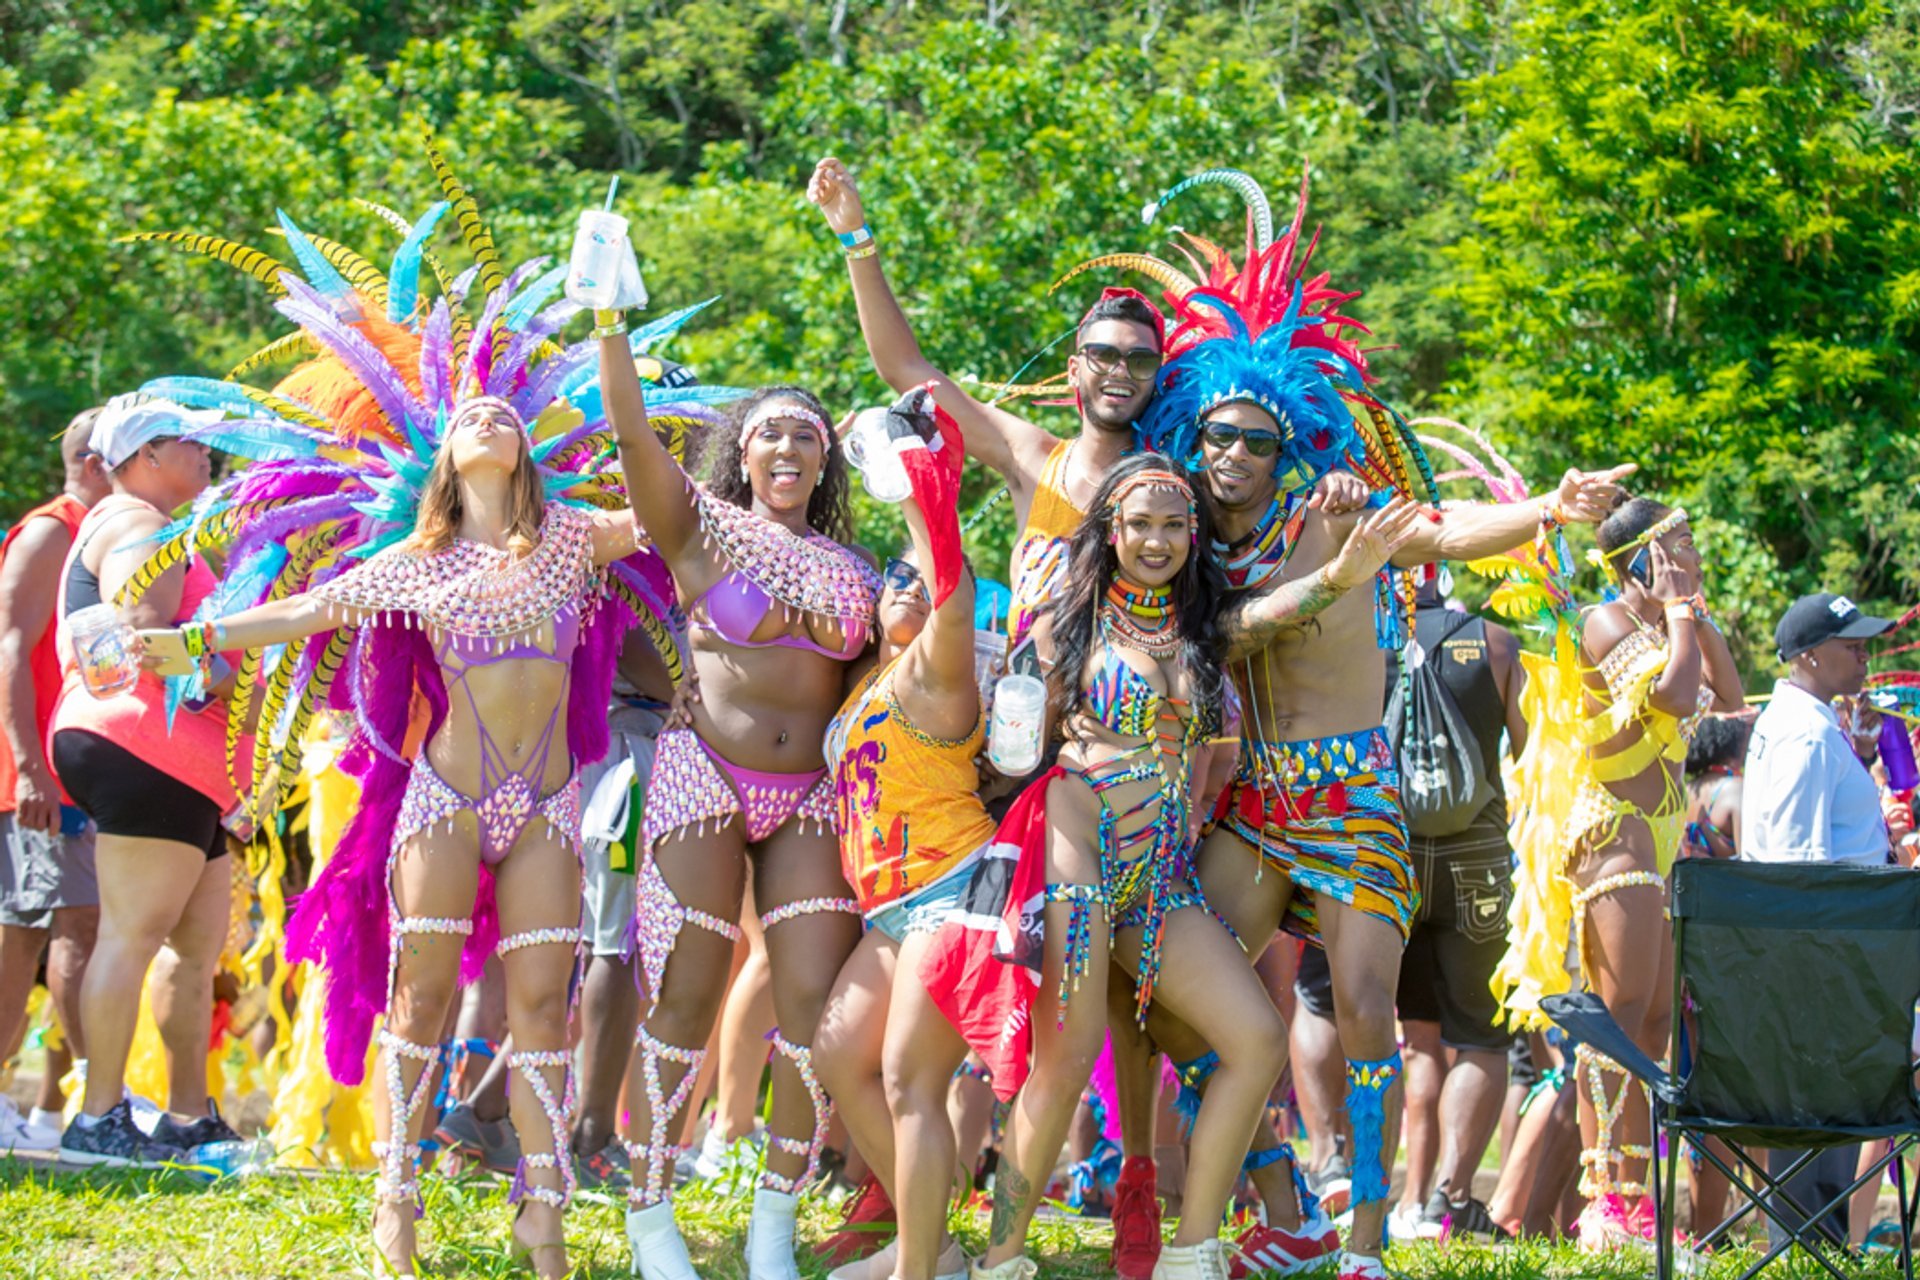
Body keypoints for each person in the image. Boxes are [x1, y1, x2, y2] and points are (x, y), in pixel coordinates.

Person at [1104, 166, 1634, 1280]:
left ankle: (1365, 1236)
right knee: (1181, 1016)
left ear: (1288, 433)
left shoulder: (1327, 514)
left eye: (1255, 436)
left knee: (1363, 1011)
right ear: (1191, 438)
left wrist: (1544, 507)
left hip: (1352, 788)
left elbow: (1440, 531)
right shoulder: (1184, 545)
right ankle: (1283, 1194)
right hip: (1252, 799)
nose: (1234, 454)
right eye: (1216, 436)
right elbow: (1192, 627)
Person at [974, 453, 1422, 1280]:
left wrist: (1341, 573)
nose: (1157, 540)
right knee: (1064, 1065)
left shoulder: (1199, 630)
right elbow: (1009, 753)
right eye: (1139, 524)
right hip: (1077, 866)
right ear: (1108, 532)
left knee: (1255, 1038)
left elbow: (1278, 611)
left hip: (1159, 885)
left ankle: (1194, 1251)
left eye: (1174, 524)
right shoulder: (1060, 625)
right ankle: (999, 1259)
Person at [598, 292, 879, 1279]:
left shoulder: (857, 570)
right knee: (686, 992)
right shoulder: (701, 528)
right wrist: (609, 318)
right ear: (742, 452)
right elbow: (631, 429)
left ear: (827, 457)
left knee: (814, 1005)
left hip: (808, 795)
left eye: (808, 433)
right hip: (701, 775)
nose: (789, 446)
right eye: (769, 433)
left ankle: (774, 1225)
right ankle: (649, 1214)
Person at [1496, 498, 1744, 1251]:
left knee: (1655, 1025)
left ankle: (1631, 1196)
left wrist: (1690, 610)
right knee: (1618, 1020)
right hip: (1615, 839)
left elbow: (1728, 700)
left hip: (1663, 841)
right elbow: (1673, 696)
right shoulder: (1606, 621)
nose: (1691, 555)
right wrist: (1675, 612)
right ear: (1640, 560)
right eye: (1678, 545)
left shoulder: (1670, 624)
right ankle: (1608, 1202)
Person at [807, 156, 1160, 655]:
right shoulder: (1034, 458)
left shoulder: (1168, 487)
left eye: (1139, 360)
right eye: (1103, 355)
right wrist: (855, 238)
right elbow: (905, 369)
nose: (1120, 371)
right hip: (1026, 715)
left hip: (1119, 724)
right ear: (1074, 369)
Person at [814, 389, 993, 1280]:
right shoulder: (862, 691)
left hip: (952, 890)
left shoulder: (938, 670)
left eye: (917, 580)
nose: (905, 585)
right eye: (895, 576)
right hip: (888, 910)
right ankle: (936, 1245)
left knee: (908, 1080)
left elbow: (950, 591)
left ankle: (919, 1271)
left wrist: (926, 482)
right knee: (837, 1057)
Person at [47, 394, 244, 1169]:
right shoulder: (136, 524)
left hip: (186, 764)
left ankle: (187, 1116)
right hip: (142, 745)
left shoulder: (161, 527)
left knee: (194, 949)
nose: (205, 454)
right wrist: (228, 671)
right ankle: (98, 1116)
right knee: (131, 936)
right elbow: (144, 630)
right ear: (143, 457)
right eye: (188, 442)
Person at [1740, 591, 1895, 1248]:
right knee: (1819, 1136)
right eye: (1851, 644)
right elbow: (1801, 869)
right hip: (1821, 960)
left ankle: (1810, 1252)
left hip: (1819, 955)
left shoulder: (1807, 724)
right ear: (1807, 655)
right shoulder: (1806, 735)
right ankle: (1807, 1254)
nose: (1864, 654)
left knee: (1823, 1141)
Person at [1386, 573, 1529, 1242]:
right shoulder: (1497, 645)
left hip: (1392, 858)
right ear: (1442, 576)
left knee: (1416, 1038)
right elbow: (1531, 759)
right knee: (1480, 1034)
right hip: (1478, 859)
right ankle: (1452, 1199)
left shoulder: (1369, 642)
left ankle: (1409, 1201)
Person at [0, 407, 110, 1151]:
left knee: (65, 930)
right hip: (37, 781)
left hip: (82, 775)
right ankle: (95, 1104)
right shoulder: (51, 530)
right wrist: (29, 767)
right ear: (99, 460)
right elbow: (10, 645)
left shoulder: (109, 538)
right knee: (45, 930)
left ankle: (55, 1109)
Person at [1681, 715, 1749, 861]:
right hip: (1726, 882)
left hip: (1687, 882)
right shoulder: (1735, 788)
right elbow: (1748, 862)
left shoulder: (1686, 790)